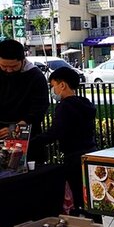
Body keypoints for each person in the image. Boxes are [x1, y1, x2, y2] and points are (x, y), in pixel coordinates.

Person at [35, 66, 96, 212]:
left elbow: (55, 132)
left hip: (73, 157)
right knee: (89, 194)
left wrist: (31, 143)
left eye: (53, 86)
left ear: (62, 85)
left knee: (78, 195)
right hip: (90, 152)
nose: (53, 90)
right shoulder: (85, 103)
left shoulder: (65, 106)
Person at [0, 39, 49, 159]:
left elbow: (40, 108)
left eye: (13, 66)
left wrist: (17, 128)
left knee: (22, 169)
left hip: (26, 133)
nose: (8, 70)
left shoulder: (35, 76)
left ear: (23, 60)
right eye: (3, 66)